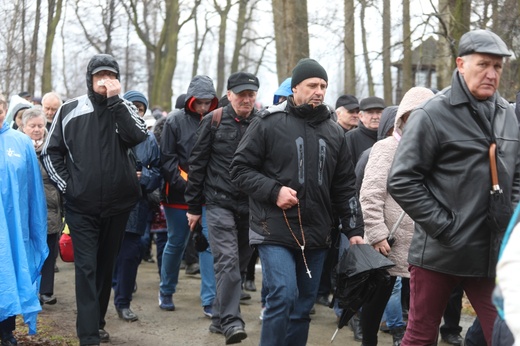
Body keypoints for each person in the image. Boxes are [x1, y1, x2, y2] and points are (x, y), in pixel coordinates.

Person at [387, 29, 520, 346]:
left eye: (498, 67)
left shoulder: (508, 115)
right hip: (439, 253)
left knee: (506, 334)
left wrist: (508, 219)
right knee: (420, 335)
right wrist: (445, 226)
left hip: (490, 255)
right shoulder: (432, 114)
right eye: (483, 64)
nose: (491, 74)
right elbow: (402, 180)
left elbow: (516, 176)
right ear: (461, 64)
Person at [230, 58, 364, 346]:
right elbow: (239, 170)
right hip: (273, 228)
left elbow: (345, 186)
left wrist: (354, 231)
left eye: (323, 86)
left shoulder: (335, 132)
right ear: (294, 88)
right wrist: (274, 190)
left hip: (316, 233)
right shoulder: (267, 122)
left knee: (303, 306)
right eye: (312, 85)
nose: (319, 91)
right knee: (283, 292)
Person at [41, 53, 147, 346]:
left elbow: (138, 137)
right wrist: (68, 186)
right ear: (90, 79)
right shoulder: (69, 109)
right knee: (86, 268)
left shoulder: (125, 108)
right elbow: (51, 152)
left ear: (117, 79)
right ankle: (88, 336)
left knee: (105, 266)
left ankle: (97, 322)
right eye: (99, 76)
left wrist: (115, 102)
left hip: (119, 205)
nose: (104, 81)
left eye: (110, 75)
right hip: (81, 206)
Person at [185, 71, 260, 344]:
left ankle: (218, 316)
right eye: (241, 94)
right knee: (227, 261)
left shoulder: (262, 123)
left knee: (238, 265)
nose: (247, 99)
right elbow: (197, 165)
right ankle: (231, 321)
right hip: (218, 204)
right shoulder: (213, 121)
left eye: (251, 94)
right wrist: (194, 207)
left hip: (251, 207)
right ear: (229, 96)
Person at [359, 87, 435, 346]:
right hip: (388, 244)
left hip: (423, 243)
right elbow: (370, 194)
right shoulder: (386, 148)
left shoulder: (437, 150)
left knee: (421, 308)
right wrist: (377, 233)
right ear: (403, 117)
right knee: (376, 300)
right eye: (415, 115)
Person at [158, 75, 218, 318]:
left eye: (207, 102)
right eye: (199, 102)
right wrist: (186, 184)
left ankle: (210, 300)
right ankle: (166, 290)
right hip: (178, 195)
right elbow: (167, 159)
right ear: (191, 100)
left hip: (208, 195)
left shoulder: (217, 120)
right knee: (177, 241)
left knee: (208, 244)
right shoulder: (174, 121)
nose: (203, 107)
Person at [0, 93, 49, 346]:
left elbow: (33, 192)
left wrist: (35, 228)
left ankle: (6, 331)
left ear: (5, 109)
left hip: (13, 227)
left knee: (9, 274)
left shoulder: (20, 143)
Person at [111, 90, 161, 322]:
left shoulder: (149, 139)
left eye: (140, 109)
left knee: (131, 255)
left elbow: (158, 172)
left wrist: (143, 176)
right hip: (109, 205)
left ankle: (123, 302)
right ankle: (108, 291)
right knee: (109, 255)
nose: (136, 112)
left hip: (136, 205)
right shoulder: (109, 133)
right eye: (132, 107)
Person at [20, 107, 64, 307]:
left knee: (48, 250)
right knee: (28, 250)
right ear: (24, 126)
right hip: (26, 209)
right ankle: (29, 289)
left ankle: (46, 291)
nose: (37, 129)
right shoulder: (18, 147)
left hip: (50, 208)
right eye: (32, 126)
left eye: (40, 125)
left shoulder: (53, 147)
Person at [345, 96, 386, 165]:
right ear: (361, 116)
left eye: (379, 112)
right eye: (370, 113)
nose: (375, 117)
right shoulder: (350, 138)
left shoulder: (391, 136)